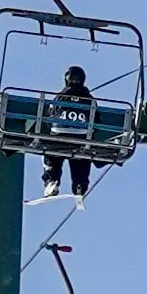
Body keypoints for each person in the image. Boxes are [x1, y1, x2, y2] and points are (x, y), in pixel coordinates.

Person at [41, 66, 93, 206]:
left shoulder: (61, 96)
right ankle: (80, 185)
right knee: (82, 157)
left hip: (59, 135)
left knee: (52, 154)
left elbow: (50, 114)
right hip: (81, 138)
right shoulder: (89, 99)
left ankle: (52, 180)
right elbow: (96, 120)